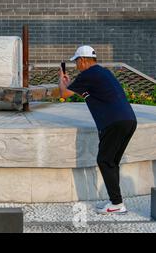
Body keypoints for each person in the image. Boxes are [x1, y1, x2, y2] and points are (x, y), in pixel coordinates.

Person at [58, 45, 137, 214]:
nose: (76, 65)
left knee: (104, 160)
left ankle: (117, 204)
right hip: (128, 120)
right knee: (111, 161)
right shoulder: (103, 72)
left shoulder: (88, 74)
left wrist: (62, 81)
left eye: (77, 62)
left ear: (83, 60)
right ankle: (116, 202)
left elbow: (64, 94)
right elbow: (85, 92)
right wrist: (70, 84)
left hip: (114, 123)